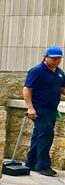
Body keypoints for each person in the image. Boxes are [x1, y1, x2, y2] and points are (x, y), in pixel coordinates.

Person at [23, 45, 65, 176]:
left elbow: (63, 89)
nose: (56, 61)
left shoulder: (59, 73)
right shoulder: (37, 71)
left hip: (52, 109)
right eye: (53, 58)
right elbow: (27, 89)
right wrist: (30, 108)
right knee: (46, 135)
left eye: (58, 58)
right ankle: (43, 165)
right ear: (45, 57)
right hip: (39, 108)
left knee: (39, 135)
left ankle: (31, 162)